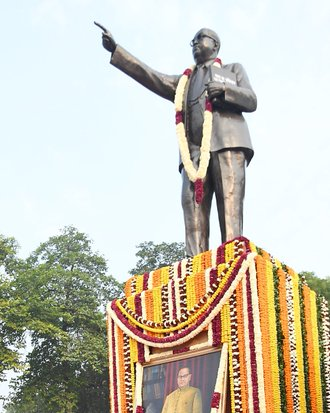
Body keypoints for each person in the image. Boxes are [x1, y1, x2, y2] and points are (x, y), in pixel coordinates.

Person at [96, 24, 257, 256]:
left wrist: (223, 90)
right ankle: (195, 270)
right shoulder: (184, 82)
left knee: (230, 210)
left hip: (227, 145)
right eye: (192, 41)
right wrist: (117, 50)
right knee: (193, 215)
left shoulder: (233, 70)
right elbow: (151, 76)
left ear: (215, 45)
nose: (195, 44)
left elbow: (251, 100)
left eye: (200, 38)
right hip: (192, 155)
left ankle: (233, 266)